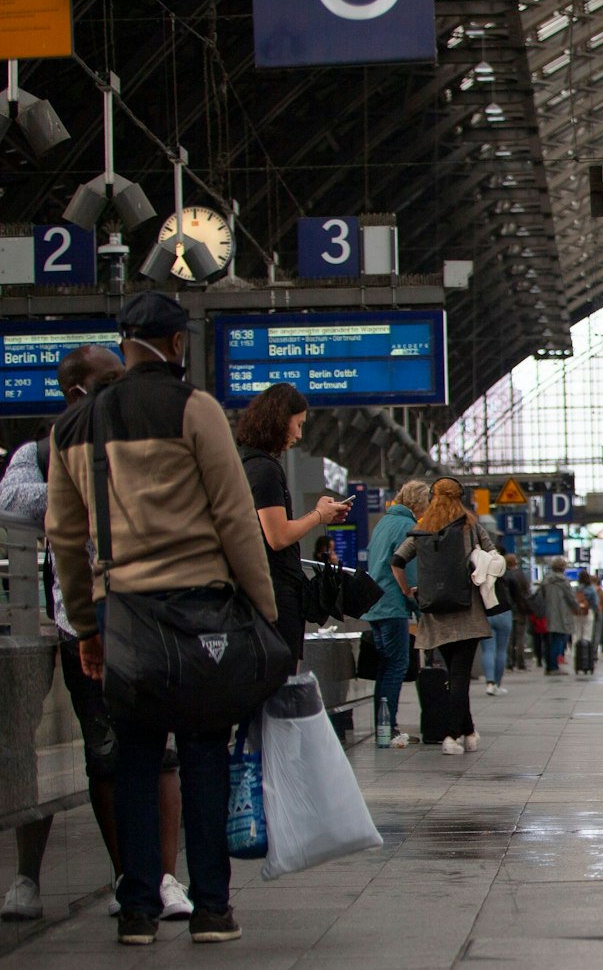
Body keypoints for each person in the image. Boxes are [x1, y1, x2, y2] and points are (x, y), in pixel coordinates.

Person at [45, 292, 277, 945]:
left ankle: (140, 910)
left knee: (136, 758)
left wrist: (87, 630)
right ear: (178, 344)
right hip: (199, 612)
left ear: (125, 344)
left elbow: (64, 536)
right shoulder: (195, 408)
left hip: (123, 615)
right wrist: (264, 606)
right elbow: (234, 516)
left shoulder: (72, 427)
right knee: (202, 754)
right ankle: (210, 908)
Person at [0, 346, 191, 924]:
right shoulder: (38, 452)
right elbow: (9, 501)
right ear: (76, 391)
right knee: (100, 754)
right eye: (108, 379)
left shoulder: (141, 435)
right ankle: (115, 876)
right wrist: (85, 491)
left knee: (160, 753)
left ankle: (161, 876)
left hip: (148, 614)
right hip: (76, 621)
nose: (121, 387)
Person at [235, 382, 350, 661]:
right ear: (278, 420)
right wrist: (319, 515)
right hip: (275, 595)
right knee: (281, 681)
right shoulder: (264, 470)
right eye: (297, 424)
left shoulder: (246, 463)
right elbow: (278, 537)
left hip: (258, 590)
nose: (298, 434)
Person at [390, 478, 494, 754]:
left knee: (455, 673)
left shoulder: (422, 528)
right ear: (460, 497)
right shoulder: (470, 526)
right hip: (467, 611)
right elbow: (494, 556)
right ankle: (451, 736)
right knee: (460, 676)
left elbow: (397, 561)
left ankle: (469, 732)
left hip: (435, 612)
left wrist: (408, 592)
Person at [362, 480, 427, 748]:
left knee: (385, 668)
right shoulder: (406, 527)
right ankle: (388, 728)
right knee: (396, 666)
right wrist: (418, 605)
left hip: (376, 604)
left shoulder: (384, 523)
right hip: (392, 606)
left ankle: (384, 728)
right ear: (417, 502)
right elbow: (407, 571)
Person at [480, 553, 520, 696]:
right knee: (501, 650)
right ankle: (497, 683)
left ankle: (489, 683)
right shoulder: (506, 574)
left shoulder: (480, 573)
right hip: (504, 612)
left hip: (486, 613)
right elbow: (517, 595)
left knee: (488, 649)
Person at [538, 562, 577, 673]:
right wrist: (577, 607)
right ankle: (554, 666)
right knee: (558, 640)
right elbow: (570, 598)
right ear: (563, 568)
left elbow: (541, 596)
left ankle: (549, 665)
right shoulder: (564, 582)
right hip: (562, 613)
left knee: (548, 640)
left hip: (548, 612)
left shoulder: (545, 581)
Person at [500, 554, 533, 671]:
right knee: (520, 637)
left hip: (507, 609)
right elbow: (526, 592)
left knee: (509, 637)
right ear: (515, 563)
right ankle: (520, 662)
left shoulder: (502, 574)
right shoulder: (520, 575)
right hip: (519, 609)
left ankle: (509, 662)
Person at [572, 572, 598, 676]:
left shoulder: (576, 589)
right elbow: (595, 603)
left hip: (577, 613)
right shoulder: (591, 589)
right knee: (587, 635)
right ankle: (586, 658)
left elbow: (572, 600)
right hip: (588, 612)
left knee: (577, 634)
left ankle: (577, 656)